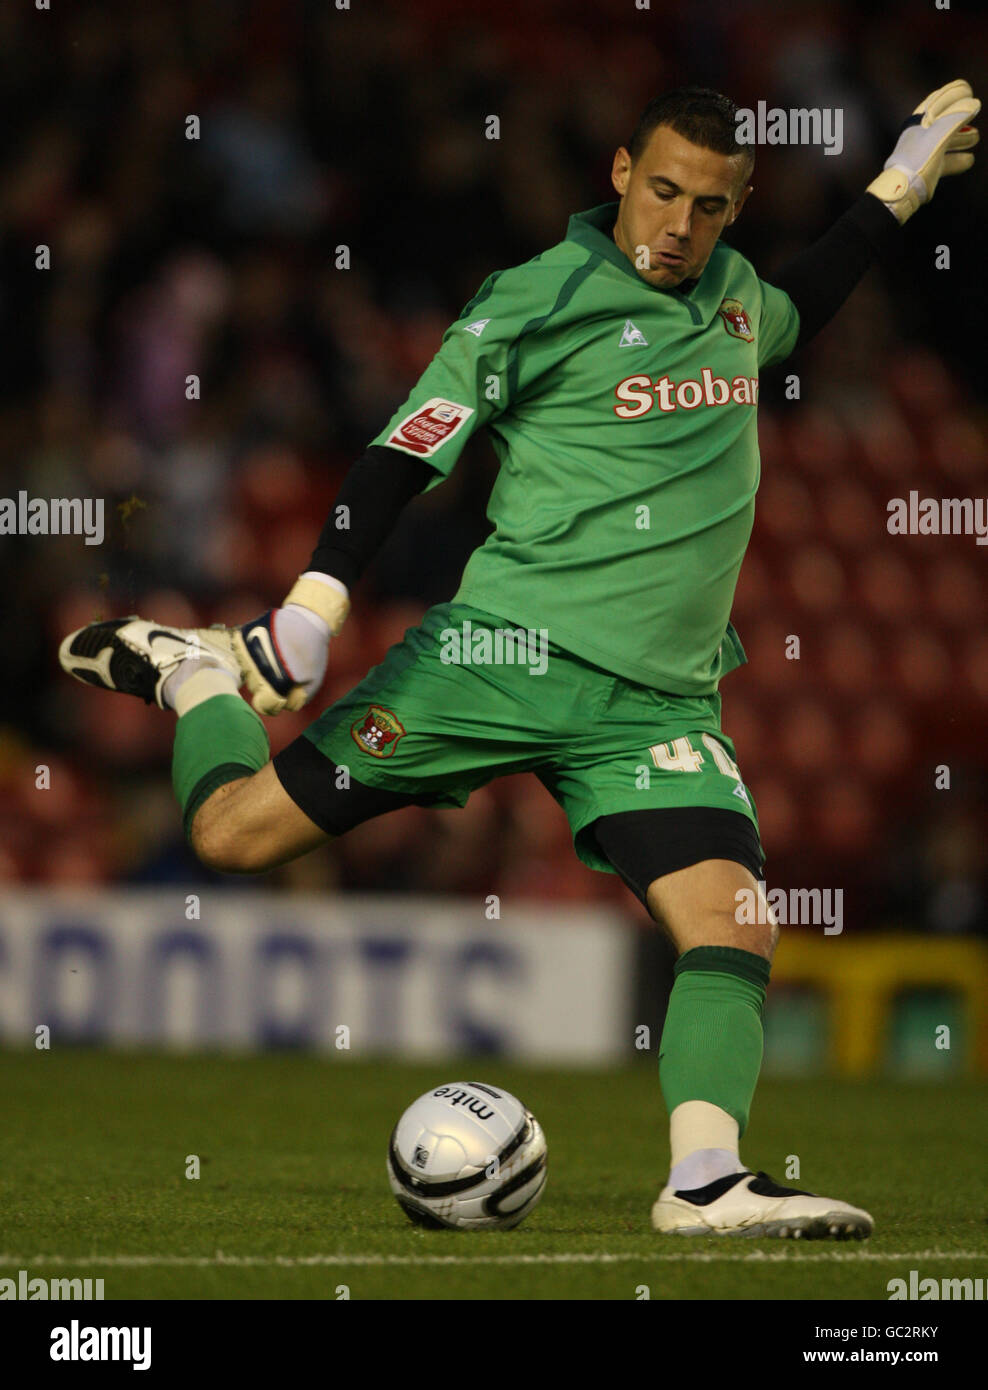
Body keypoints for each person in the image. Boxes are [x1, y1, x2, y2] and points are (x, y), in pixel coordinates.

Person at [61, 83, 979, 1237]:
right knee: (228, 834)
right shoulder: (533, 301)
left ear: (735, 210)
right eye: (660, 192)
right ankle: (197, 676)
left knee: (734, 919)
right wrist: (309, 603)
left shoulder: (739, 301)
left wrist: (897, 188)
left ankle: (704, 1181)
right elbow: (406, 448)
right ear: (616, 174)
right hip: (495, 659)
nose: (678, 224)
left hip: (653, 700)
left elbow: (813, 291)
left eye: (708, 205)